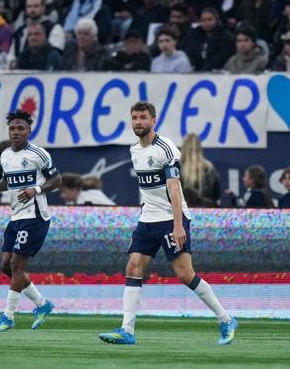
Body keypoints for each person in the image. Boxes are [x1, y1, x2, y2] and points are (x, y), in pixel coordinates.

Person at [98, 101, 236, 346]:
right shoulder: (134, 149)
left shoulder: (166, 148)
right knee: (133, 266)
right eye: (135, 118)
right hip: (147, 219)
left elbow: (174, 187)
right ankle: (126, 329)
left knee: (184, 274)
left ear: (153, 121)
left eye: (143, 118)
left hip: (171, 220)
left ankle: (225, 319)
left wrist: (178, 224)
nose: (138, 122)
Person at [0, 109, 61, 332]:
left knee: (17, 265)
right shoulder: (6, 155)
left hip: (34, 217)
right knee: (6, 266)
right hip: (15, 216)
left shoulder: (39, 154)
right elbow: (8, 180)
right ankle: (42, 304)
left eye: (21, 129)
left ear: (28, 131)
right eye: (12, 128)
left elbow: (57, 180)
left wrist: (36, 189)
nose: (16, 132)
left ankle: (8, 316)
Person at [181, 133, 221, 207]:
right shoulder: (209, 168)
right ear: (199, 148)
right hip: (205, 213)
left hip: (182, 213)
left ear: (184, 148)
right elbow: (217, 196)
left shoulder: (176, 168)